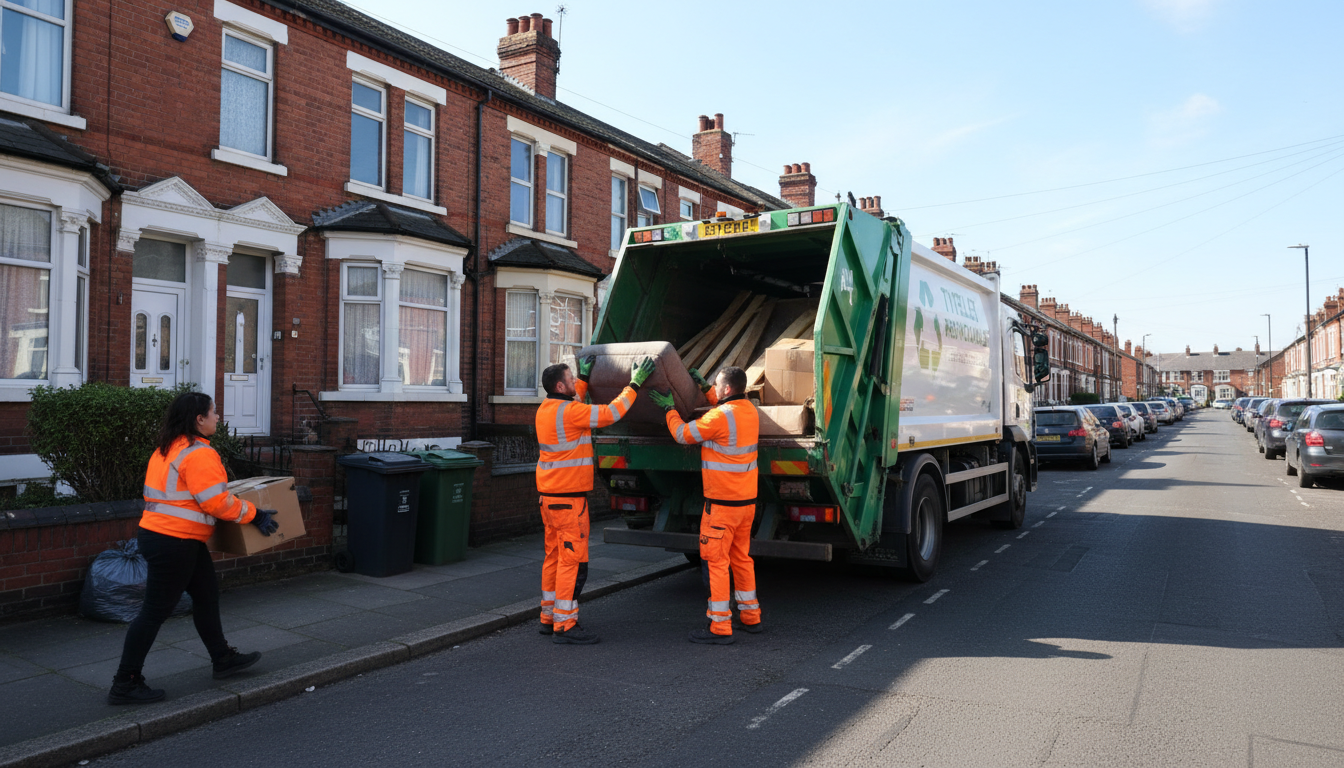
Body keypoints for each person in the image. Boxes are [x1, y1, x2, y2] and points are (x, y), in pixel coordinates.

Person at [108, 391, 278, 704]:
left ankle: (222, 658)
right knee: (154, 612)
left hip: (167, 537)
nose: (218, 417)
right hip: (175, 541)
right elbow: (216, 502)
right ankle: (125, 682)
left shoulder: (169, 448)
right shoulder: (199, 453)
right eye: (213, 413)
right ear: (199, 419)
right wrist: (256, 514)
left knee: (206, 595)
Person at [535, 355, 656, 644]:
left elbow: (576, 405)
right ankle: (566, 625)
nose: (576, 380)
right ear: (562, 386)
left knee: (553, 557)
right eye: (572, 378)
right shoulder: (572, 413)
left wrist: (585, 381)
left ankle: (548, 616)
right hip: (569, 502)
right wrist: (635, 384)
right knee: (572, 562)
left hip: (549, 499)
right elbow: (611, 413)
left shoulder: (545, 409)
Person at [649, 366, 762, 644]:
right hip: (746, 503)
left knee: (716, 562)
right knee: (742, 559)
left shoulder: (719, 418)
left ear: (726, 389)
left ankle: (720, 627)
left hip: (721, 507)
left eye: (716, 385)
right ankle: (751, 617)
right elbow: (724, 410)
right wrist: (705, 389)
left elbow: (683, 435)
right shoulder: (749, 411)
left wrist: (668, 410)